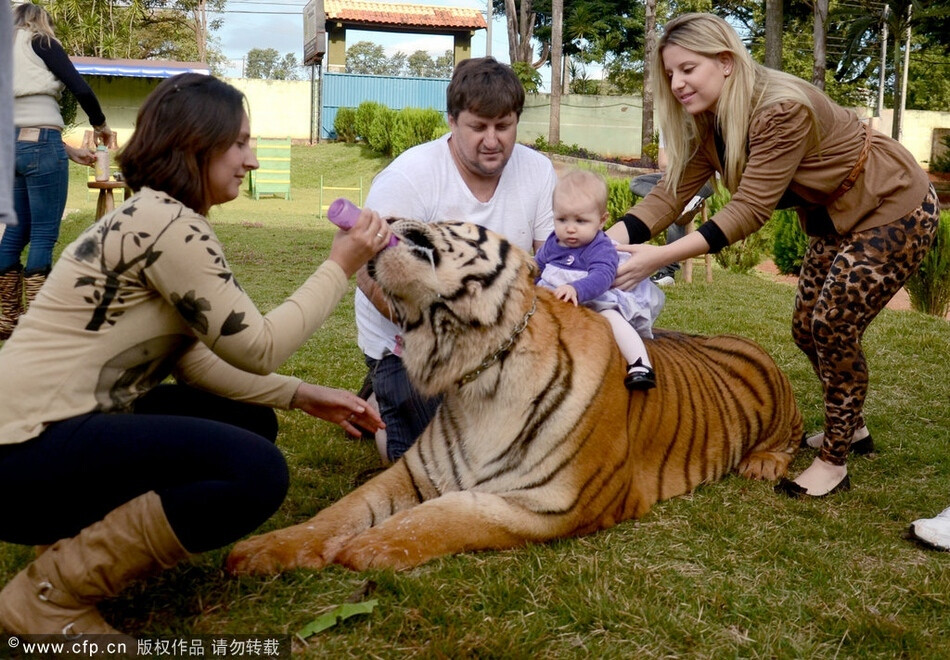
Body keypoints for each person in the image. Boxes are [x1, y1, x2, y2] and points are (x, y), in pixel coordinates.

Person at [0, 73, 388, 635]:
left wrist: (300, 395)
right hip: (23, 454)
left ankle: (68, 542)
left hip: (34, 442)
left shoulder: (155, 215)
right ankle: (46, 597)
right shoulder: (168, 225)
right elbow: (259, 345)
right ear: (194, 145)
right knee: (253, 471)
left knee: (247, 422)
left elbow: (195, 362)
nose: (251, 160)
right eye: (239, 143)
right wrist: (341, 265)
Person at [607, 13, 938, 498]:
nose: (677, 83)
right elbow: (670, 194)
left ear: (724, 62)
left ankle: (834, 460)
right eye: (670, 73)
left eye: (687, 69)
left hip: (891, 205)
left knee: (832, 325)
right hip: (835, 215)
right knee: (805, 328)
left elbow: (750, 209)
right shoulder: (713, 120)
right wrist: (597, 242)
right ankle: (854, 425)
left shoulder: (780, 109)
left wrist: (656, 257)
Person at [356, 56, 556, 464]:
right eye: (478, 126)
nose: (492, 139)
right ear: (451, 121)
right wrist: (445, 332)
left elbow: (552, 262)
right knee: (436, 463)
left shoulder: (538, 171)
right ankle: (383, 396)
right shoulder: (410, 176)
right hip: (414, 341)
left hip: (503, 337)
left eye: (503, 126)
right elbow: (366, 272)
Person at [1, 3, 114, 340]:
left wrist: (69, 150)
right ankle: (38, 326)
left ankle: (7, 319)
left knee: (14, 234)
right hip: (42, 146)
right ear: (39, 21)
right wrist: (101, 125)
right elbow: (80, 88)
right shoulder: (41, 41)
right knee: (43, 235)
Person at [536, 169, 664, 389]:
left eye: (580, 221)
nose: (570, 228)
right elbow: (537, 266)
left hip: (596, 299)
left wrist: (576, 289)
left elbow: (602, 276)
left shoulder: (600, 247)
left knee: (613, 319)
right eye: (562, 219)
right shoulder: (553, 242)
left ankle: (639, 363)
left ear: (601, 220)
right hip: (557, 299)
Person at [629, 133, 713, 286]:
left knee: (675, 202)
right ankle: (683, 204)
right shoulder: (668, 123)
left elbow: (709, 164)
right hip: (673, 178)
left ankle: (668, 272)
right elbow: (663, 163)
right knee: (637, 182)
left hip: (703, 180)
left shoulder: (704, 117)